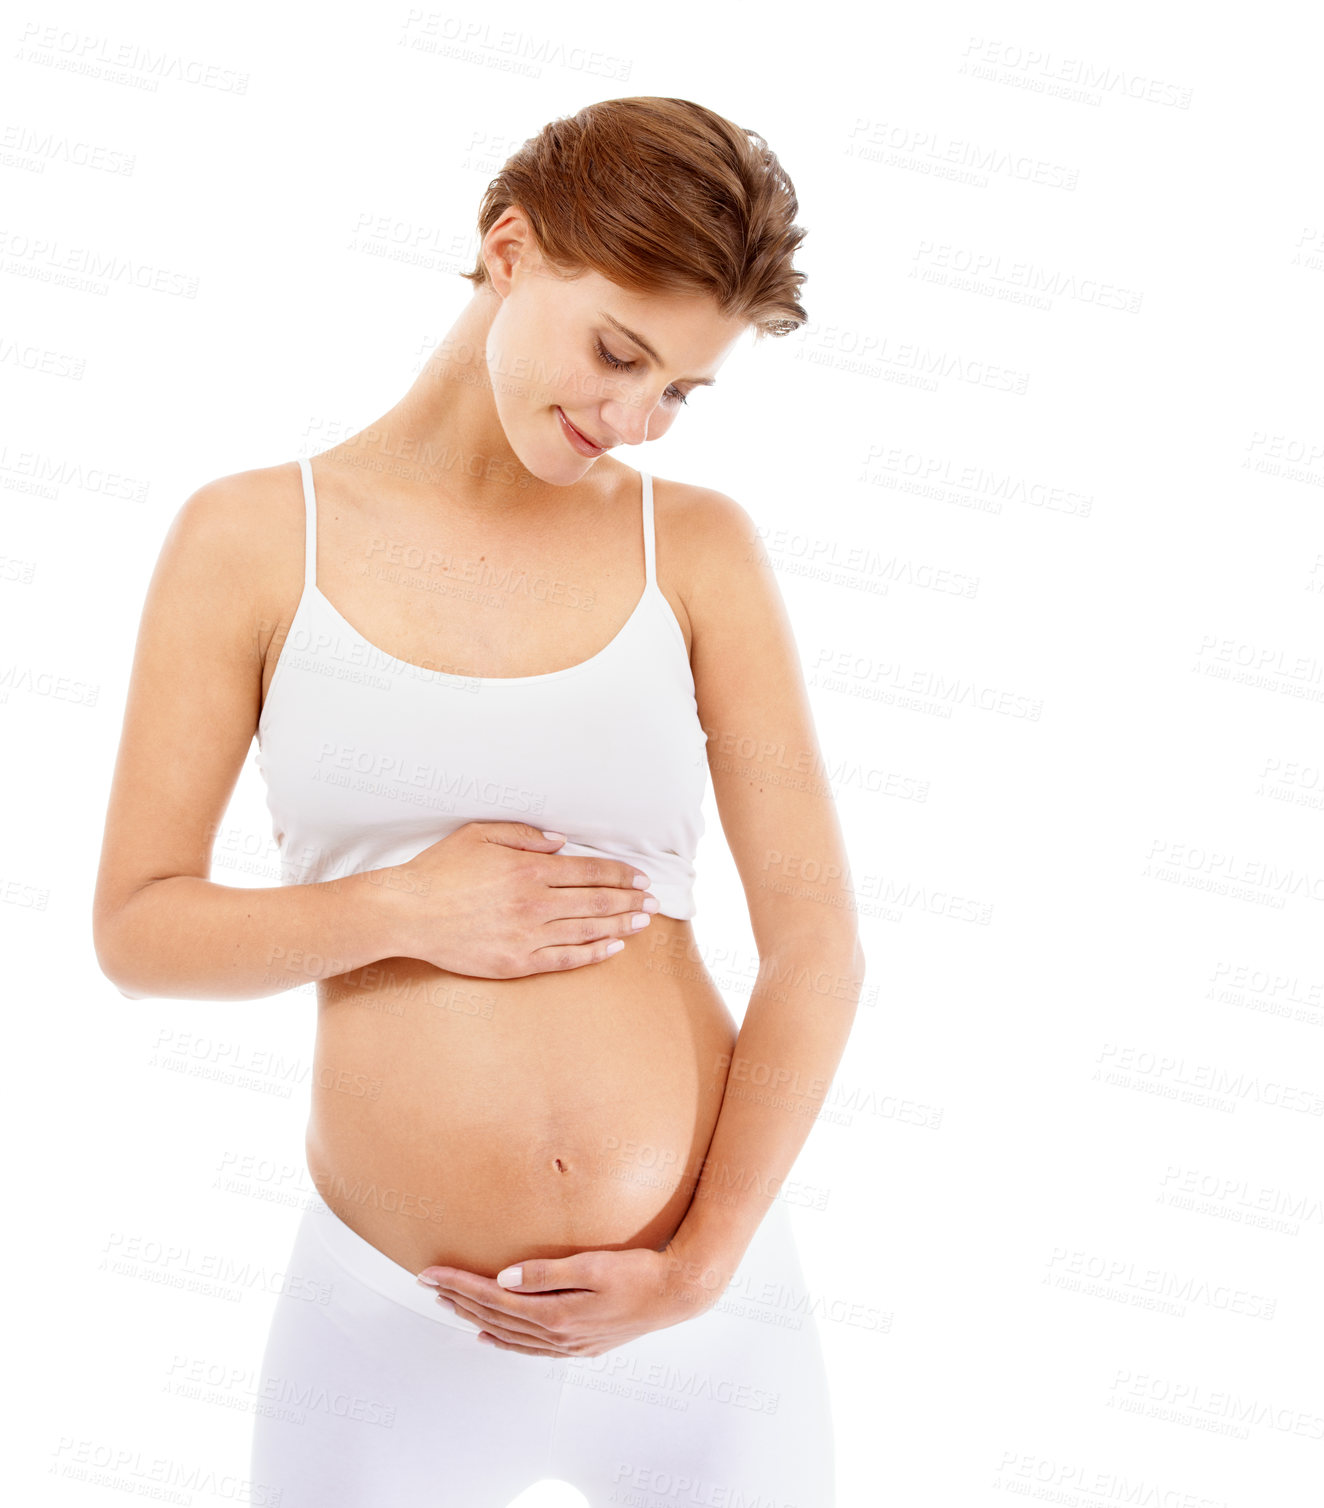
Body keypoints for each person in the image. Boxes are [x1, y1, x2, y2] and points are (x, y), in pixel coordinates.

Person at [93, 95, 865, 1505]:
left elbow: (818, 945)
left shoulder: (694, 550)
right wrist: (402, 905)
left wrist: (699, 1267)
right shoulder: (255, 539)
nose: (636, 417)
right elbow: (139, 930)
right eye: (620, 352)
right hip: (394, 1321)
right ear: (509, 251)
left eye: (680, 391)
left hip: (702, 1325)